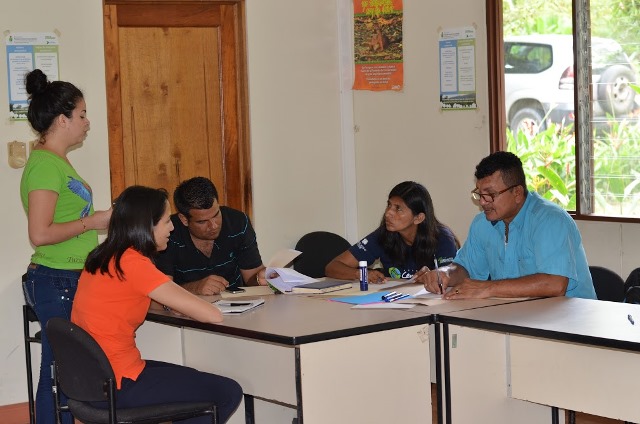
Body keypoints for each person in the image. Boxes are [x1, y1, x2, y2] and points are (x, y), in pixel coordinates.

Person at [71, 186, 243, 422]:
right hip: (121, 381)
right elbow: (212, 315)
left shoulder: (104, 256)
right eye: (165, 221)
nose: (172, 227)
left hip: (94, 379)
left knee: (191, 379)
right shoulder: (133, 263)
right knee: (227, 391)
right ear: (146, 225)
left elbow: (144, 302)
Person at [20, 69, 112, 424]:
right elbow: (40, 234)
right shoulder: (45, 165)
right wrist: (95, 221)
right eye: (83, 114)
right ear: (63, 119)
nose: (87, 122)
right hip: (57, 279)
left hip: (69, 277)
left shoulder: (56, 161)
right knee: (57, 373)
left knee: (61, 371)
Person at [418, 151, 597, 300]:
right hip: (516, 316)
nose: (482, 202)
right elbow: (465, 268)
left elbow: (555, 284)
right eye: (479, 194)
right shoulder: (482, 224)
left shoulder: (550, 220)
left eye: (490, 194)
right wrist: (445, 273)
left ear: (517, 193)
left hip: (570, 324)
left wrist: (489, 288)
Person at [325, 181, 459, 283]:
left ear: (418, 218)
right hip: (393, 304)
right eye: (389, 205)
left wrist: (433, 276)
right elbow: (332, 267)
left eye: (398, 208)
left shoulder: (442, 238)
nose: (388, 213)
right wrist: (362, 274)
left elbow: (451, 278)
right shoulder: (384, 234)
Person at [155, 177, 266, 295]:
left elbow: (251, 277)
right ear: (184, 220)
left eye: (216, 214)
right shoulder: (168, 234)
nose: (213, 226)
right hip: (185, 309)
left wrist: (262, 278)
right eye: (202, 222)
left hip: (237, 305)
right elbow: (160, 293)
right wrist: (195, 288)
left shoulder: (238, 223)